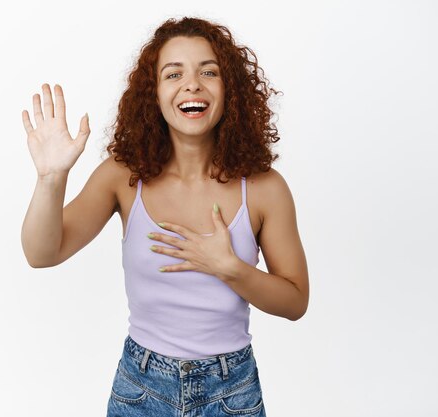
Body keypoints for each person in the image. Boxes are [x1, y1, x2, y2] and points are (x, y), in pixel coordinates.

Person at [21, 16, 309, 417]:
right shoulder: (122, 176)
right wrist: (51, 179)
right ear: (153, 94)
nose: (192, 84)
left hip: (231, 391)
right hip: (141, 389)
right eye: (174, 74)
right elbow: (42, 253)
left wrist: (229, 269)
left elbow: (295, 301)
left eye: (209, 71)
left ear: (231, 90)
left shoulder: (264, 188)